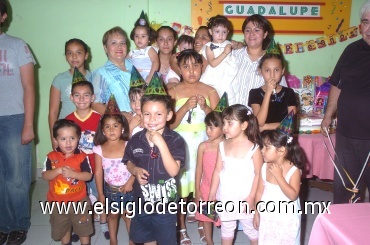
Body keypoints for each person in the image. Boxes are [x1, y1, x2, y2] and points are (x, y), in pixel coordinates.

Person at [122, 78, 186, 245]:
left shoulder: (175, 140)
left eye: (159, 114)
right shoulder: (135, 139)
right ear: (141, 115)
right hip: (141, 202)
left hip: (166, 206)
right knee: (146, 239)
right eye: (147, 114)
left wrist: (160, 143)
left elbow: (173, 171)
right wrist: (134, 170)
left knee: (166, 240)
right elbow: (128, 161)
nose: (152, 119)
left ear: (169, 115)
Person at [168, 49, 219, 245]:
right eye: (186, 67)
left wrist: (205, 108)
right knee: (181, 191)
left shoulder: (210, 90)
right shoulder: (172, 91)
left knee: (206, 186)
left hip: (204, 146)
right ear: (179, 68)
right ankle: (180, 227)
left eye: (195, 66)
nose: (191, 71)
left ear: (202, 67)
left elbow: (219, 122)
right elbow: (170, 124)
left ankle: (204, 221)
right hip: (180, 146)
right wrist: (184, 108)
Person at [321, 0, 370, 204]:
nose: (369, 28)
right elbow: (337, 84)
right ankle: (341, 233)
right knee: (345, 190)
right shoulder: (351, 50)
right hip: (346, 136)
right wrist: (327, 116)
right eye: (366, 22)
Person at [0, 1, 36, 244]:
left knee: (16, 178)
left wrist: (28, 124)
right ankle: (3, 224)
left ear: (3, 17)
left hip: (14, 119)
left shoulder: (17, 46)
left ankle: (18, 224)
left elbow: (29, 87)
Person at [208, 104, 263, 245]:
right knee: (227, 230)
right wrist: (212, 193)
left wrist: (252, 197)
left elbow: (258, 174)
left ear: (244, 125)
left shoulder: (254, 148)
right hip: (226, 196)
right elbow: (217, 170)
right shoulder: (222, 145)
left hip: (245, 198)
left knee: (251, 229)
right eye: (224, 123)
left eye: (230, 123)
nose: (225, 127)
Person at [65, 81, 110, 240]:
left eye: (86, 95)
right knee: (80, 198)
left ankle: (104, 223)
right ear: (71, 97)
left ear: (93, 97)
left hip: (98, 167)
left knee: (100, 195)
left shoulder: (99, 118)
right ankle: (80, 226)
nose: (82, 99)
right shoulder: (69, 120)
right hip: (78, 168)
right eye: (77, 95)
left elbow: (106, 142)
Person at [254, 112, 305, 244]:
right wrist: (256, 213)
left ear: (281, 150)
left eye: (266, 147)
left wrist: (279, 177)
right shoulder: (265, 167)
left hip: (286, 218)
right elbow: (259, 191)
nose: (262, 151)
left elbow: (293, 195)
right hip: (268, 216)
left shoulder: (293, 171)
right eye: (262, 147)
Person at [42, 119, 93, 245]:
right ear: (56, 140)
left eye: (72, 138)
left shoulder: (82, 157)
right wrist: (57, 171)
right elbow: (45, 176)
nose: (68, 142)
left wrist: (74, 174)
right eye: (63, 139)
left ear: (78, 138)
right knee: (62, 227)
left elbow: (88, 176)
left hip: (79, 201)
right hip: (57, 202)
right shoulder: (51, 157)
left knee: (83, 228)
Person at [93, 95, 134, 245]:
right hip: (111, 190)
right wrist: (101, 194)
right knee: (113, 216)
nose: (111, 130)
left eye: (115, 126)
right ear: (102, 130)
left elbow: (135, 166)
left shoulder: (128, 144)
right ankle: (113, 240)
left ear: (122, 128)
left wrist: (130, 182)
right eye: (107, 126)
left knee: (129, 215)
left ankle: (132, 240)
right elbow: (98, 172)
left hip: (128, 188)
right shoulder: (99, 149)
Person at [230, 14, 287, 107]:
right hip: (231, 117)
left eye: (257, 30)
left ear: (265, 34)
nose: (251, 34)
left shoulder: (272, 62)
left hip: (259, 119)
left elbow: (283, 93)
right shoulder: (232, 56)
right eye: (248, 30)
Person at [194, 95, 227, 244]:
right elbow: (198, 169)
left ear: (223, 128)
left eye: (212, 127)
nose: (208, 131)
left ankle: (226, 239)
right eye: (207, 127)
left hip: (224, 189)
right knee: (207, 216)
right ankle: (209, 241)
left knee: (225, 217)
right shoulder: (203, 146)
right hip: (207, 187)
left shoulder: (228, 146)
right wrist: (197, 190)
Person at [49, 39, 90, 149]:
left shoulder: (94, 77)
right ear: (66, 56)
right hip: (65, 132)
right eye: (69, 53)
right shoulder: (59, 79)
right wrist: (54, 137)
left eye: (79, 52)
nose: (74, 56)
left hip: (88, 129)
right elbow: (53, 112)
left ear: (86, 55)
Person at [248, 42, 297, 131]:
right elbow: (259, 122)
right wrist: (268, 93)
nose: (272, 75)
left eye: (276, 70)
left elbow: (291, 124)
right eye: (267, 70)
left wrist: (265, 127)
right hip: (262, 140)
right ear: (260, 71)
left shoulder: (289, 93)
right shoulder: (254, 93)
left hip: (282, 138)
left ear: (282, 71)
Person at [91, 26, 133, 119]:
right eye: (114, 43)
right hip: (118, 125)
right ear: (105, 48)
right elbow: (95, 104)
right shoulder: (101, 73)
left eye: (122, 43)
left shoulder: (136, 65)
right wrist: (118, 114)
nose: (119, 46)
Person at [200, 15, 238, 99]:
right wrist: (225, 53)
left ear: (228, 32)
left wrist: (235, 45)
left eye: (224, 32)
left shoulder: (228, 43)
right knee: (215, 96)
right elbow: (212, 63)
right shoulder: (209, 46)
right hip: (215, 76)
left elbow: (237, 47)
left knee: (230, 96)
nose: (220, 35)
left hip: (228, 74)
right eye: (217, 31)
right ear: (210, 31)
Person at [128, 11, 159, 83]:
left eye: (143, 36)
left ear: (149, 39)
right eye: (136, 36)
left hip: (148, 75)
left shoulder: (149, 49)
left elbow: (155, 62)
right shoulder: (132, 53)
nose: (139, 39)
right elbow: (125, 63)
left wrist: (150, 77)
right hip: (135, 77)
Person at [128, 66, 146, 137]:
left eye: (140, 100)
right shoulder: (129, 119)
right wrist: (130, 127)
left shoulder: (153, 118)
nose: (136, 104)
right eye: (133, 100)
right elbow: (124, 143)